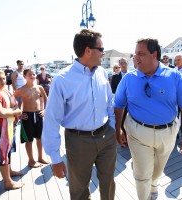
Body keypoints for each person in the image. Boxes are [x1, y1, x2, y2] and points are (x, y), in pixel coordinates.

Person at [114, 38, 182, 200]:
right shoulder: (128, 79)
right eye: (135, 54)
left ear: (154, 55)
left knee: (157, 171)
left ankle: (154, 185)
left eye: (141, 54)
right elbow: (118, 106)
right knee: (142, 174)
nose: (136, 58)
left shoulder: (175, 77)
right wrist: (118, 129)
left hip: (168, 133)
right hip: (137, 133)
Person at [42, 29, 116, 200]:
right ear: (88, 51)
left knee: (108, 183)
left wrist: (111, 128)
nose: (103, 53)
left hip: (106, 137)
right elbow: (52, 120)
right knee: (79, 189)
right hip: (78, 142)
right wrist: (55, 158)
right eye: (101, 49)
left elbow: (109, 104)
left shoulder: (102, 73)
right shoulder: (62, 80)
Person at [0, 69, 24, 190]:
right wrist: (16, 111)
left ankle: (9, 172)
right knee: (2, 155)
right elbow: (0, 112)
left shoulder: (2, 90)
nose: (2, 81)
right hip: (0, 128)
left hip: (7, 126)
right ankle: (7, 182)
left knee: (7, 152)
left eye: (3, 78)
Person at [13, 67, 49, 168]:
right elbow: (12, 101)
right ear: (24, 76)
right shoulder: (21, 90)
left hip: (38, 115)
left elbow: (46, 100)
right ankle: (31, 160)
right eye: (30, 74)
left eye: (33, 74)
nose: (32, 76)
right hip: (27, 116)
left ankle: (40, 157)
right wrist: (18, 113)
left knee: (40, 138)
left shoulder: (39, 88)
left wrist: (45, 110)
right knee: (29, 140)